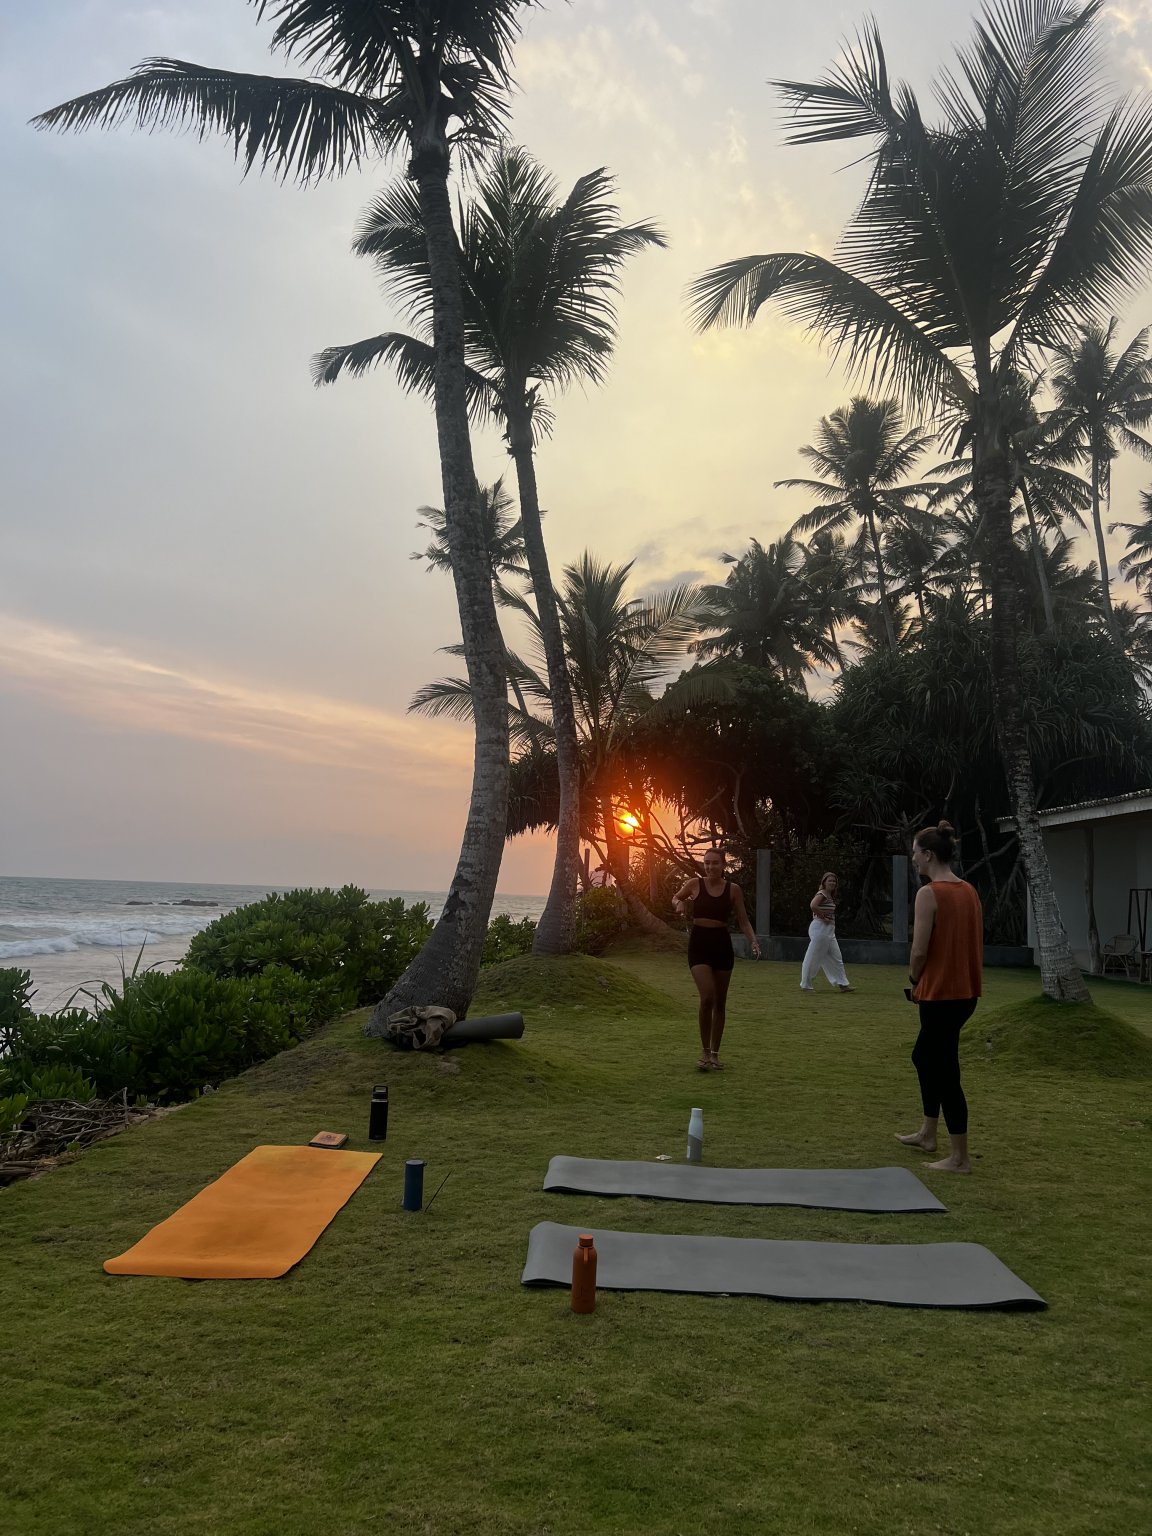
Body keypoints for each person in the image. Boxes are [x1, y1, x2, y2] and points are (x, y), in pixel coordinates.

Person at [896, 821, 983, 1174]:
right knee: (924, 1056)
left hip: (941, 994)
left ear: (929, 855)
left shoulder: (929, 893)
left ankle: (959, 1158)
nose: (913, 859)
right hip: (964, 993)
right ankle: (928, 1133)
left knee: (946, 1070)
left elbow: (919, 951)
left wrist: (914, 979)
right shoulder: (969, 890)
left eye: (915, 853)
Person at [672, 848, 759, 1071]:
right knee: (707, 996)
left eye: (714, 863)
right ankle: (704, 1051)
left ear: (723, 865)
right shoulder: (694, 884)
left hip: (721, 945)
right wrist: (679, 903)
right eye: (707, 863)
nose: (710, 867)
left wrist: (753, 941)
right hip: (699, 944)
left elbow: (743, 921)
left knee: (720, 1002)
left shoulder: (733, 889)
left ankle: (715, 1054)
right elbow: (676, 897)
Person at [799, 872, 854, 993]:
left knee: (836, 957)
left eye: (834, 881)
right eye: (830, 880)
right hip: (820, 928)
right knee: (813, 956)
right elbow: (813, 905)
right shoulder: (822, 893)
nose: (832, 883)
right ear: (824, 882)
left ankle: (843, 984)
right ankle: (805, 985)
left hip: (829, 930)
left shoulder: (829, 896)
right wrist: (823, 916)